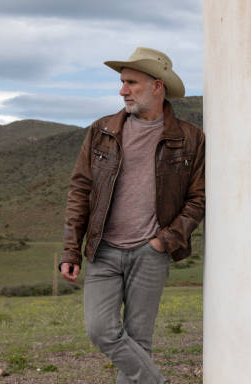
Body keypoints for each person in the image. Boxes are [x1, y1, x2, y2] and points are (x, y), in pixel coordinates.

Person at [59, 47, 205, 384]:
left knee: (139, 342)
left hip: (150, 253)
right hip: (104, 250)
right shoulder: (102, 131)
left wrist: (163, 241)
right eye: (122, 82)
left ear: (157, 86)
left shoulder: (190, 139)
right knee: (100, 330)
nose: (122, 90)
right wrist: (71, 248)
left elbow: (198, 199)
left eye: (131, 83)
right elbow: (80, 191)